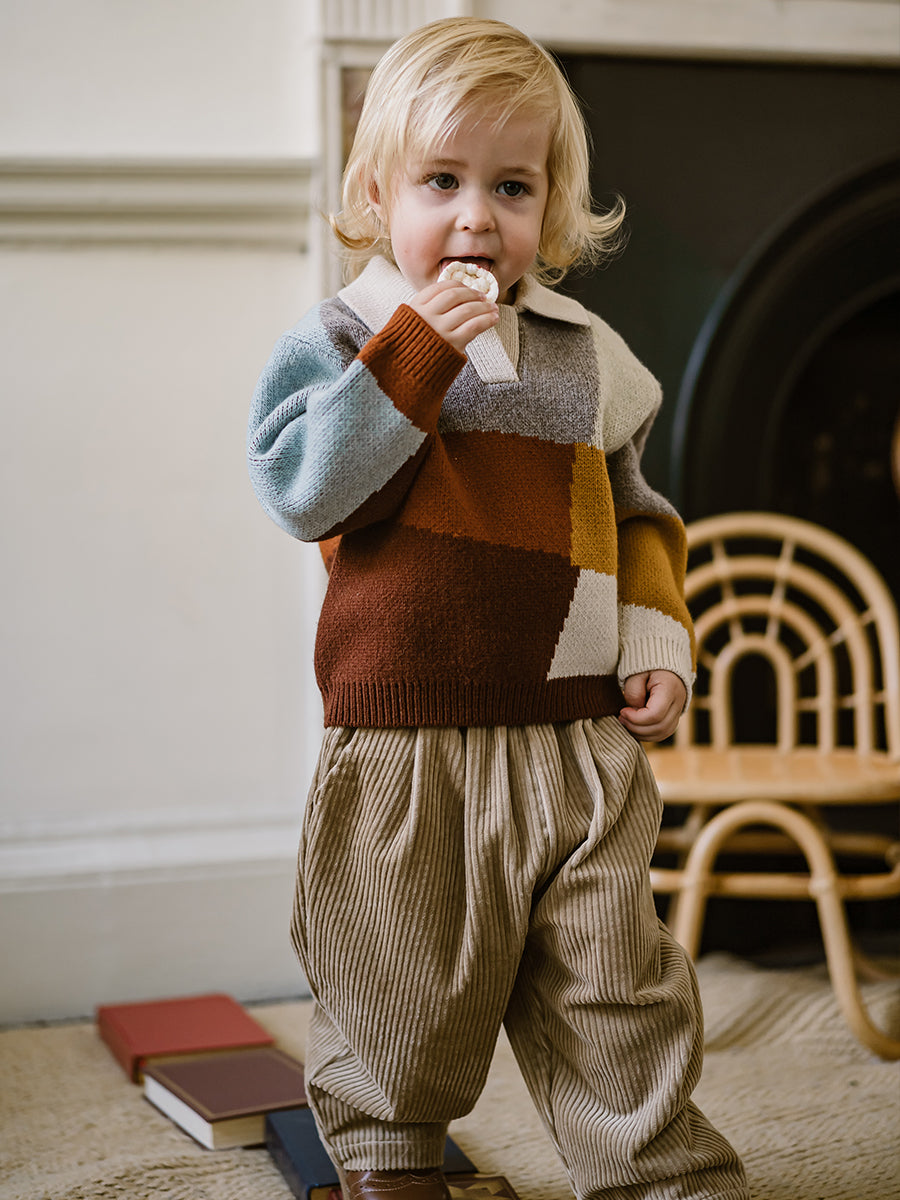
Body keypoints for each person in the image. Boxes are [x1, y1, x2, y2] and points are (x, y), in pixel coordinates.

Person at [248, 17, 749, 1200]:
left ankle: (653, 1169)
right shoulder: (345, 338)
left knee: (616, 982)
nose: (477, 218)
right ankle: (391, 1160)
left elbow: (639, 515)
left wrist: (654, 634)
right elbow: (306, 490)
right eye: (442, 182)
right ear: (377, 193)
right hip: (406, 741)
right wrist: (415, 354)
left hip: (574, 738)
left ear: (552, 206)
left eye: (512, 187)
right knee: (396, 973)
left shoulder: (587, 353)